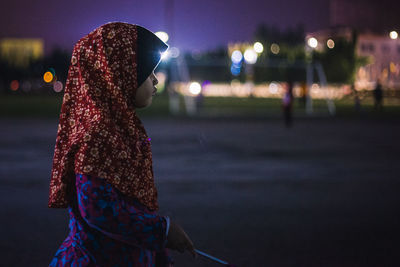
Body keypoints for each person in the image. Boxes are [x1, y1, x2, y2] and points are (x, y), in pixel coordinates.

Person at [48, 22, 195, 267]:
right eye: (149, 74)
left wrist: (157, 253)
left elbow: (136, 205)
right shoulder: (97, 136)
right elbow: (97, 209)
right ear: (119, 74)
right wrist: (162, 231)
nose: (156, 81)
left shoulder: (125, 130)